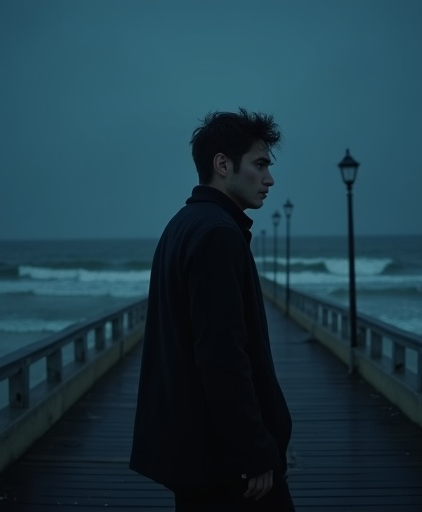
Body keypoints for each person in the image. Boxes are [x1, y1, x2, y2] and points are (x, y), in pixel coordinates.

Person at [129, 108, 294, 512]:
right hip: (228, 464)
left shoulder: (183, 224)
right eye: (260, 165)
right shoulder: (218, 235)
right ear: (223, 164)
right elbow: (222, 357)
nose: (270, 179)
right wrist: (255, 450)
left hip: (198, 453)